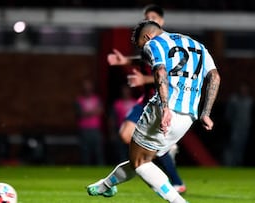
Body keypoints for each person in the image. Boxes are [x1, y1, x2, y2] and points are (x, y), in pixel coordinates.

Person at [86, 20, 221, 203]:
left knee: (140, 162)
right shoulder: (197, 45)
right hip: (188, 116)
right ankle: (106, 186)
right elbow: (214, 76)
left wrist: (165, 108)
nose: (143, 51)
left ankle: (178, 201)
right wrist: (206, 112)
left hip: (163, 110)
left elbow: (160, 71)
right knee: (142, 159)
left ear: (147, 37)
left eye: (141, 46)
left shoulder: (153, 43)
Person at [108, 4, 186, 193]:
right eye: (146, 17)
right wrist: (125, 60)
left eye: (152, 17)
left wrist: (144, 78)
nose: (148, 20)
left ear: (161, 21)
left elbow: (173, 75)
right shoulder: (150, 44)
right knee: (126, 134)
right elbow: (144, 58)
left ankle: (174, 181)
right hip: (146, 99)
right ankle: (165, 158)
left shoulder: (169, 44)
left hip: (163, 101)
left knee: (151, 146)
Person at [75, 79, 105, 165]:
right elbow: (80, 113)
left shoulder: (97, 99)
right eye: (85, 87)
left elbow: (100, 111)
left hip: (95, 128)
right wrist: (93, 111)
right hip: (84, 129)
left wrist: (87, 112)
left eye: (88, 86)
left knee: (98, 151)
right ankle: (85, 170)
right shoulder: (79, 99)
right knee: (85, 152)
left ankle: (100, 170)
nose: (87, 88)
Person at [223, 83, 253, 166]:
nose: (244, 91)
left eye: (245, 89)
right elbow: (228, 114)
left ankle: (238, 164)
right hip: (234, 127)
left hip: (245, 128)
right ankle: (228, 164)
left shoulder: (249, 101)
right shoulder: (234, 100)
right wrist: (229, 125)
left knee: (241, 147)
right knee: (232, 145)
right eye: (242, 89)